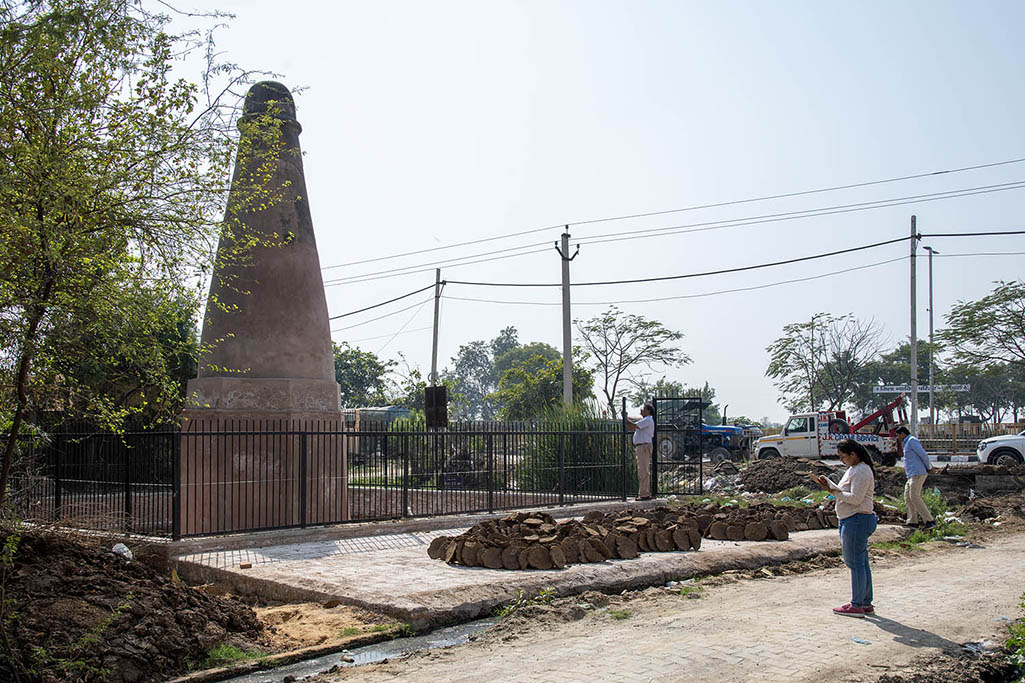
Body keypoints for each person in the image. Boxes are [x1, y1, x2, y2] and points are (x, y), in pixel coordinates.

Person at [810, 439, 878, 618]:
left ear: (853, 454)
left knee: (855, 563)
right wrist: (832, 487)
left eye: (843, 457)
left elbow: (855, 498)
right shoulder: (854, 469)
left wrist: (834, 492)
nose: (842, 461)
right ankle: (864, 602)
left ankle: (857, 604)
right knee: (861, 563)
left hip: (857, 519)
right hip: (853, 519)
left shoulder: (862, 470)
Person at [896, 425, 936, 530]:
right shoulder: (906, 442)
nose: (898, 438)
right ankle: (912, 521)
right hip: (911, 474)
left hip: (918, 473)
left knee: (914, 496)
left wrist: (929, 467)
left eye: (898, 435)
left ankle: (930, 521)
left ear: (902, 434)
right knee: (908, 497)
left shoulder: (912, 441)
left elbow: (923, 455)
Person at [625, 404, 655, 501]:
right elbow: (631, 427)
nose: (641, 410)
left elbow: (633, 426)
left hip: (643, 446)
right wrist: (625, 419)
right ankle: (643, 493)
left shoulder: (647, 420)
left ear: (648, 411)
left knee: (643, 470)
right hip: (642, 446)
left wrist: (625, 418)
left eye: (643, 409)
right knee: (642, 470)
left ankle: (644, 494)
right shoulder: (645, 421)